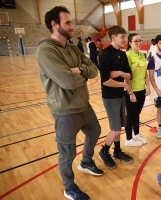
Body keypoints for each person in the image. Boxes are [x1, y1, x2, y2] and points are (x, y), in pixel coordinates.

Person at [36, 6, 102, 200]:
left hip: (83, 105)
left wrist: (78, 70)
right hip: (64, 111)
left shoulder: (72, 47)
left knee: (95, 131)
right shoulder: (46, 50)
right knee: (67, 152)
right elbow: (67, 81)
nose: (73, 26)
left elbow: (93, 69)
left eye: (71, 22)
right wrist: (81, 73)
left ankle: (86, 162)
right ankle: (69, 187)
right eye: (68, 23)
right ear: (54, 24)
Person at [98, 25, 136, 169]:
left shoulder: (122, 54)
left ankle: (118, 151)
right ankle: (104, 151)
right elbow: (106, 81)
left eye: (125, 37)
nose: (125, 40)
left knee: (119, 126)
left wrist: (120, 73)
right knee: (115, 129)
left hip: (120, 96)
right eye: (123, 37)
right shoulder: (105, 54)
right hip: (110, 97)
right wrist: (125, 86)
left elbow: (129, 75)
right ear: (113, 37)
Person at [124, 33, 151, 146]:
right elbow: (126, 76)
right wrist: (130, 92)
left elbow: (145, 72)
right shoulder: (127, 55)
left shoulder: (143, 55)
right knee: (130, 114)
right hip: (132, 91)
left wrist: (148, 86)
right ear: (130, 43)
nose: (139, 43)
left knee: (137, 113)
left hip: (141, 89)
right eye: (136, 41)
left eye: (140, 40)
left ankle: (136, 134)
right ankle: (128, 139)